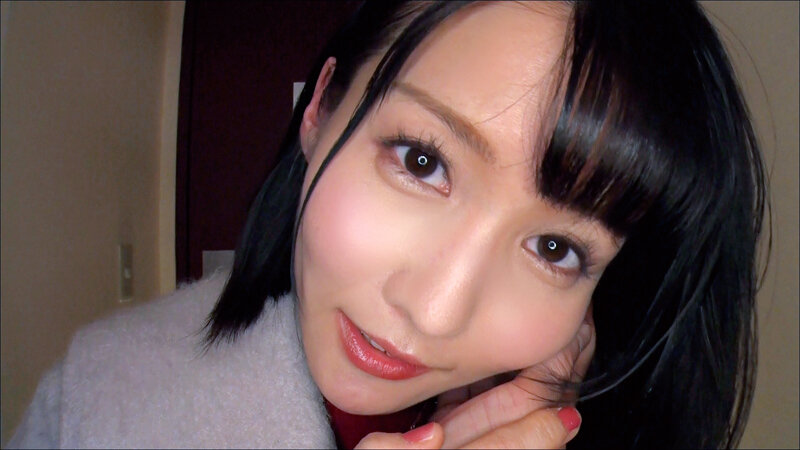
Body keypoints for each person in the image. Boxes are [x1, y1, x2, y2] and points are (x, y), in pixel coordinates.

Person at [8, 1, 766, 449]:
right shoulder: (102, 398)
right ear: (320, 109)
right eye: (422, 161)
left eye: (555, 248)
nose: (435, 311)